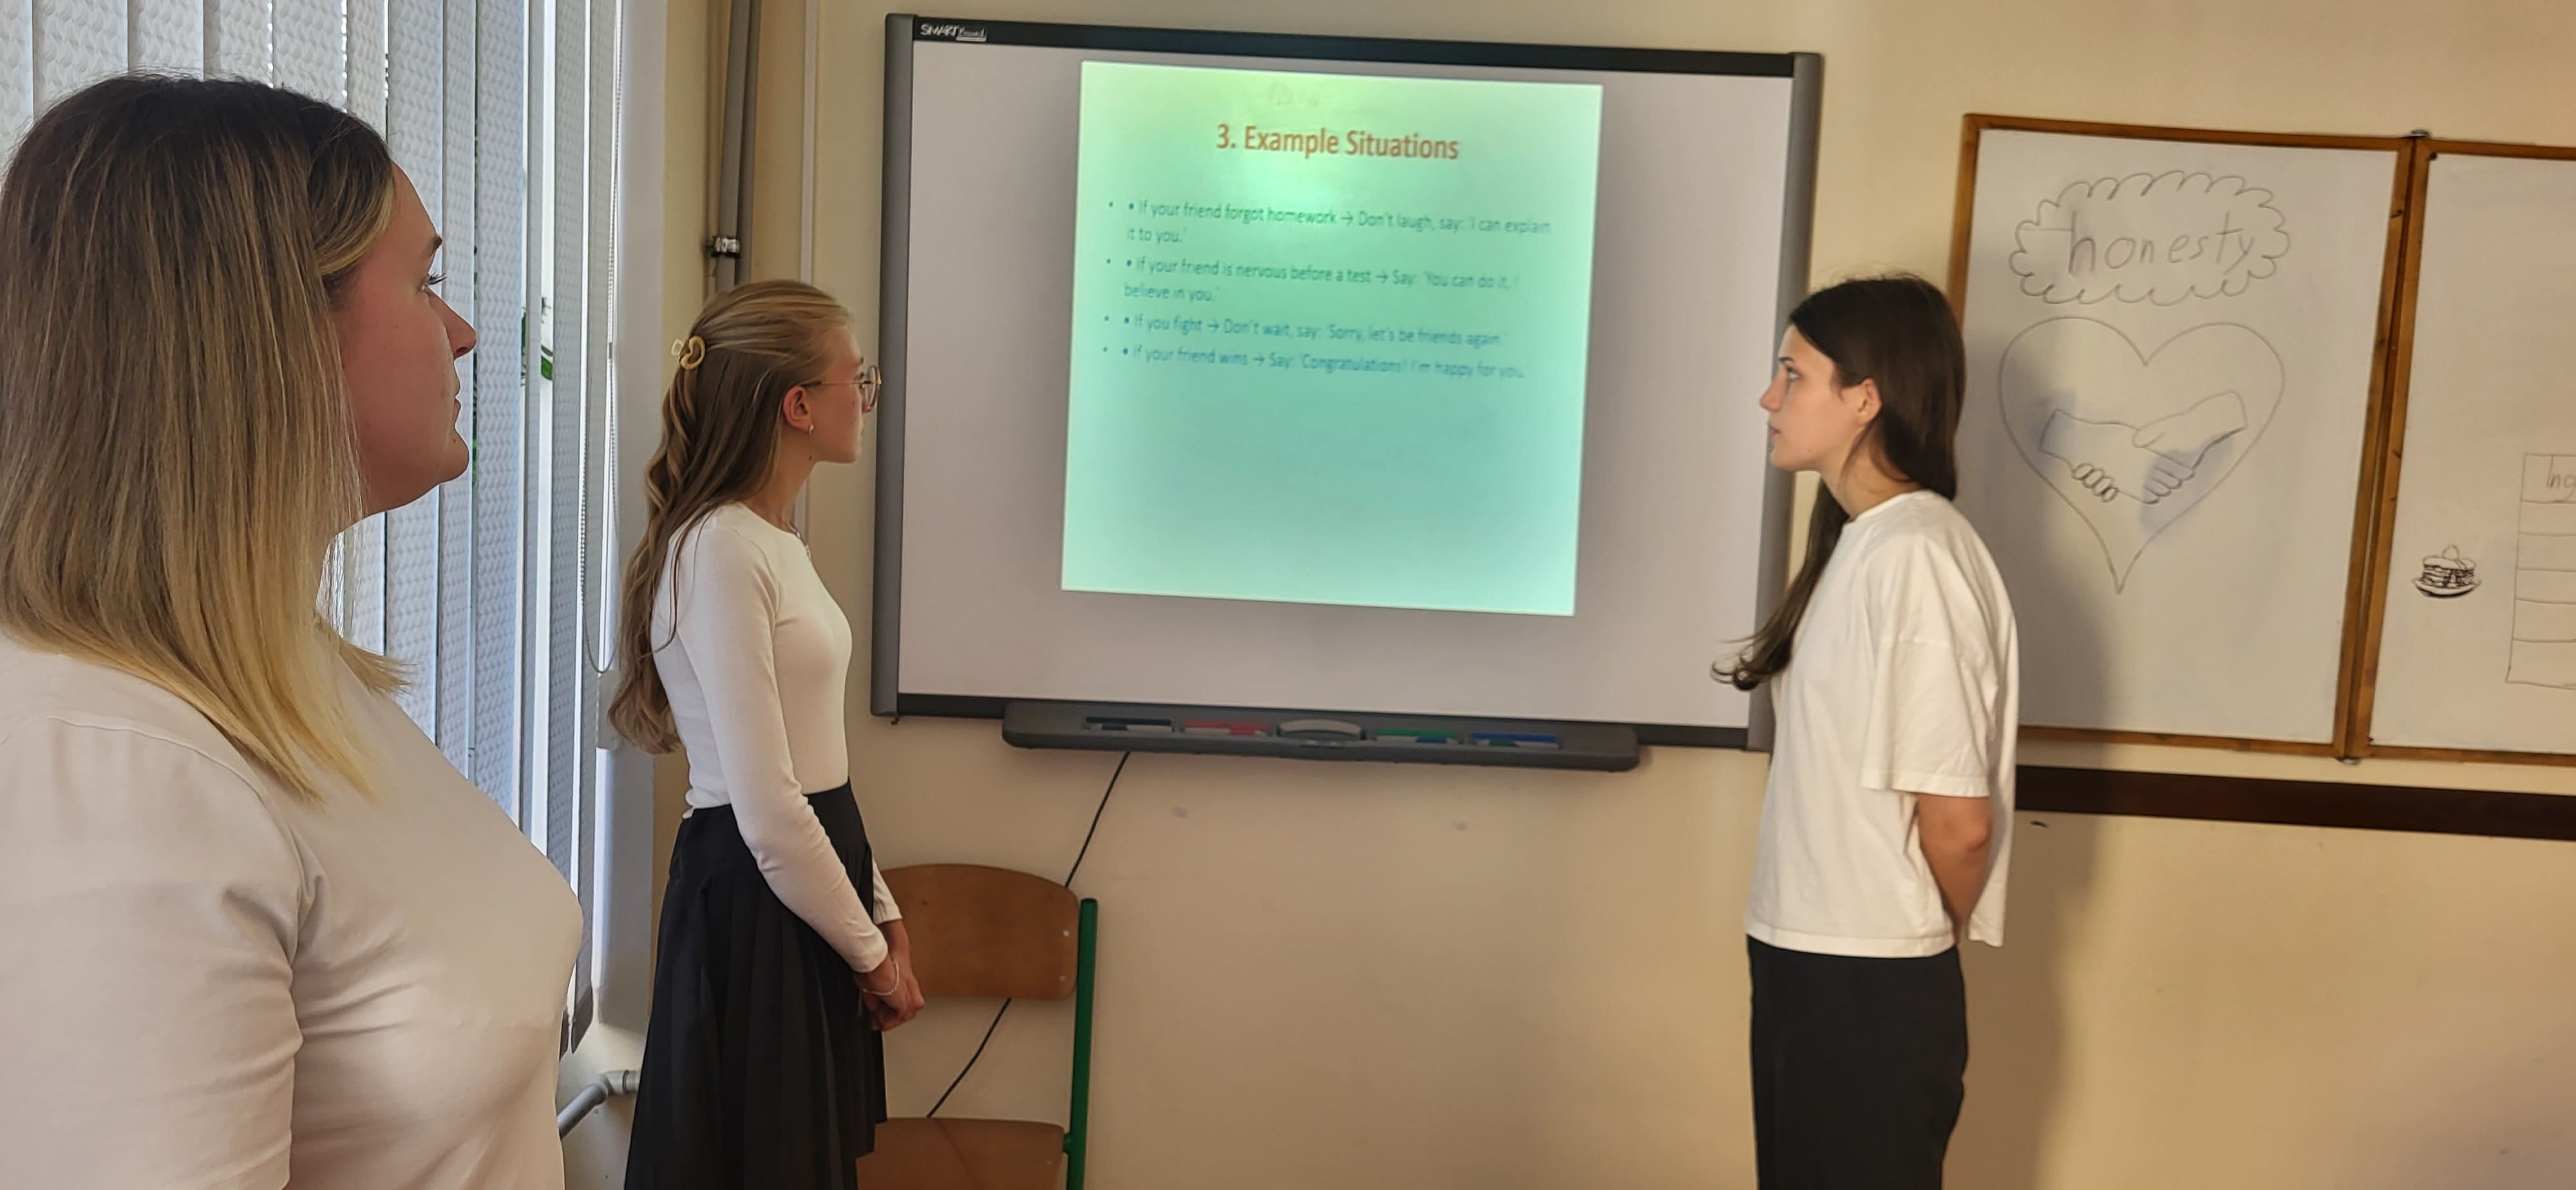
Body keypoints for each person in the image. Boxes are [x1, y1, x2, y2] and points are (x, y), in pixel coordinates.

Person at [0, 76, 578, 1187]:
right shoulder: (115, 771)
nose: (463, 334)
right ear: (266, 331)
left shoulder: (285, 673)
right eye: (426, 285)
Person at [612, 279, 925, 1189]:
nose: (865, 397)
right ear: (798, 405)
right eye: (856, 380)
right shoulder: (723, 548)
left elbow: (818, 772)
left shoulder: (770, 539)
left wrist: (881, 908)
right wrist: (870, 954)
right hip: (758, 903)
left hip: (800, 889)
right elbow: (769, 810)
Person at [1717, 275, 2020, 1189]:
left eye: (1792, 374)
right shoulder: (1865, 543)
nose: (1769, 398)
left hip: (1867, 973)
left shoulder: (1918, 555)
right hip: (1812, 954)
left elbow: (1959, 824)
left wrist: (1915, 933)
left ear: (1865, 398)